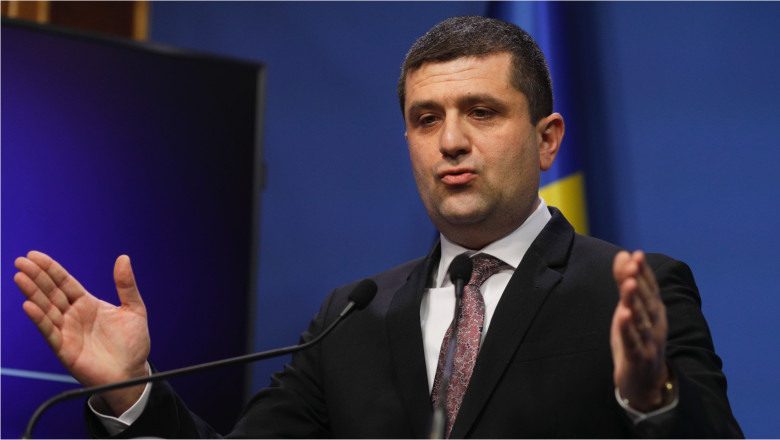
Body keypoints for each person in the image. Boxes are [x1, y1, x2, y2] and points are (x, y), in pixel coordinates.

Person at [14, 15, 742, 438]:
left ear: (547, 139)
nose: (450, 141)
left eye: (481, 112)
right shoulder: (353, 318)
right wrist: (131, 390)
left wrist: (651, 398)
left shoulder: (630, 293)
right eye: (427, 119)